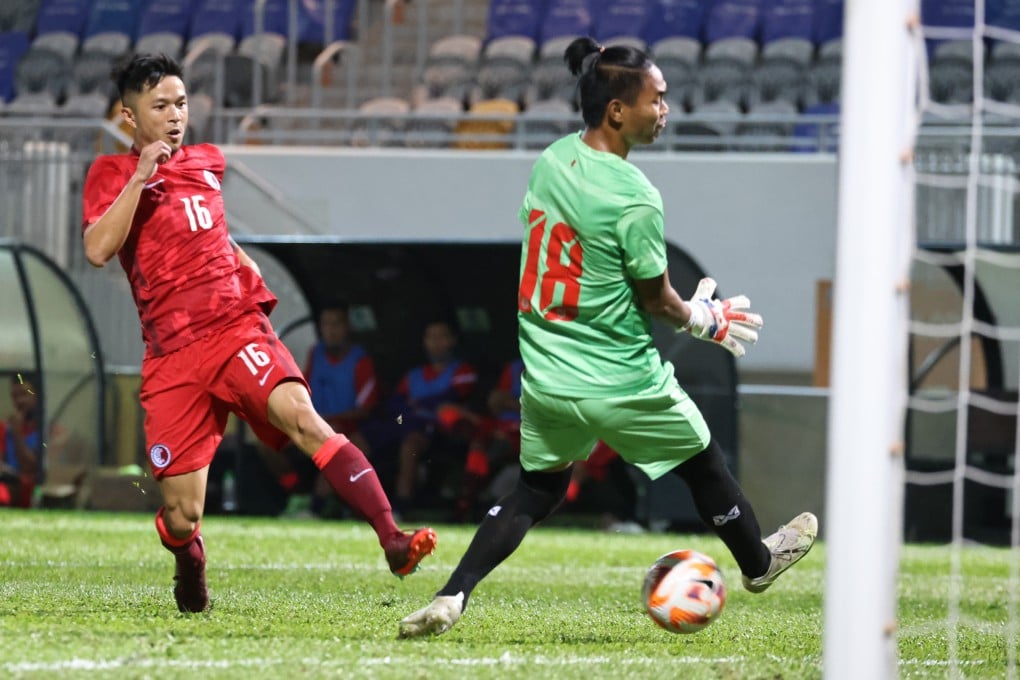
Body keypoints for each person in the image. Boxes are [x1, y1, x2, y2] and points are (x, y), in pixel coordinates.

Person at [398, 38, 817, 638]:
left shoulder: (551, 161)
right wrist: (704, 319)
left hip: (547, 373)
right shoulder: (635, 196)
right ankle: (758, 562)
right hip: (619, 375)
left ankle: (453, 594)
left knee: (535, 490)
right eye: (657, 98)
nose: (666, 109)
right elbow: (656, 300)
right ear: (618, 110)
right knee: (704, 464)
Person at [81, 53, 437, 613]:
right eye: (160, 106)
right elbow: (99, 249)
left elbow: (208, 232)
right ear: (129, 117)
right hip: (172, 355)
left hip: (234, 329)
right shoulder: (111, 173)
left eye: (181, 103)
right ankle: (189, 558)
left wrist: (241, 266)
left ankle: (392, 537)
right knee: (182, 516)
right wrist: (142, 174)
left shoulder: (206, 162)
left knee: (304, 419)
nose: (175, 116)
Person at [388, 318, 479, 517]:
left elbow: (453, 396)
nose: (436, 342)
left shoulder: (463, 371)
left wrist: (417, 403)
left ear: (453, 340)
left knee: (410, 445)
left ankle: (401, 506)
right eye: (431, 337)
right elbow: (396, 406)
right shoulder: (413, 376)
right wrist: (411, 410)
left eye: (442, 336)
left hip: (445, 431)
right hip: (411, 425)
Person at [0, 372, 41, 508]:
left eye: (25, 394)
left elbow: (30, 468)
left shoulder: (49, 432)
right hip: (7, 485)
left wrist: (17, 434)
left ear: (37, 395)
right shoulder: (4, 429)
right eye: (15, 396)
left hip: (30, 491)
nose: (19, 401)